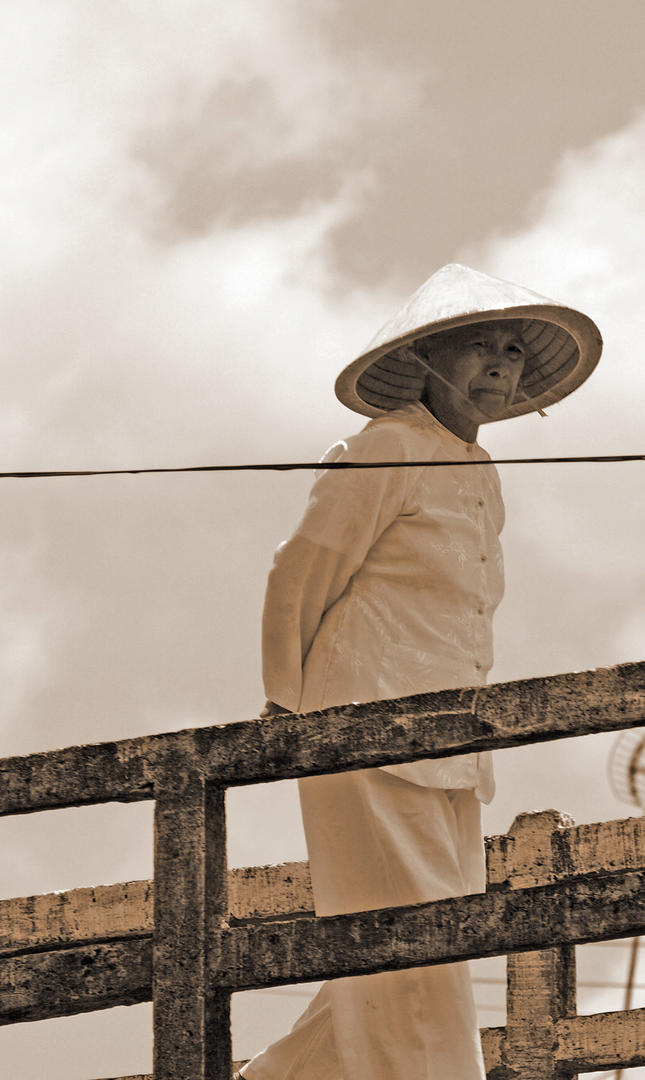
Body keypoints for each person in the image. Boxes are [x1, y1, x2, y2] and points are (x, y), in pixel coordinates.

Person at [239, 263, 602, 1080]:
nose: (502, 365)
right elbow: (302, 571)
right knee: (423, 952)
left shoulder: (480, 473)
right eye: (480, 345)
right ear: (432, 356)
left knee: (405, 957)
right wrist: (286, 707)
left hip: (453, 748)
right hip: (362, 729)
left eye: (512, 349)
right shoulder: (387, 447)